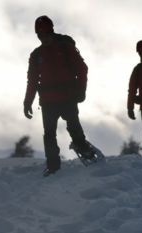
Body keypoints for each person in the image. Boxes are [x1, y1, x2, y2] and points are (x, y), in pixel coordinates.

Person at [23, 15, 93, 176]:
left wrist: (81, 91)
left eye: (46, 33)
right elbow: (32, 81)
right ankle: (53, 166)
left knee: (74, 128)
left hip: (68, 97)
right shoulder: (36, 55)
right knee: (49, 134)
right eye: (40, 35)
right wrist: (27, 102)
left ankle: (86, 152)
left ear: (52, 31)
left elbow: (82, 69)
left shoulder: (65, 48)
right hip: (48, 101)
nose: (44, 38)